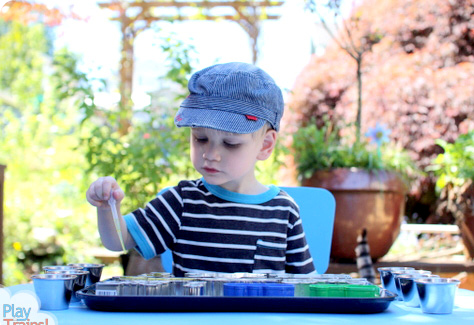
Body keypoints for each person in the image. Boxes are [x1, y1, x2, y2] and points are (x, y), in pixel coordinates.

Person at [86, 62, 315, 277]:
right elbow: (118, 241)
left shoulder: (284, 211)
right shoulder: (182, 201)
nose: (210, 154)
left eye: (230, 143)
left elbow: (305, 285)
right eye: (200, 138)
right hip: (190, 319)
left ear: (265, 145)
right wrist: (108, 208)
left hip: (260, 320)